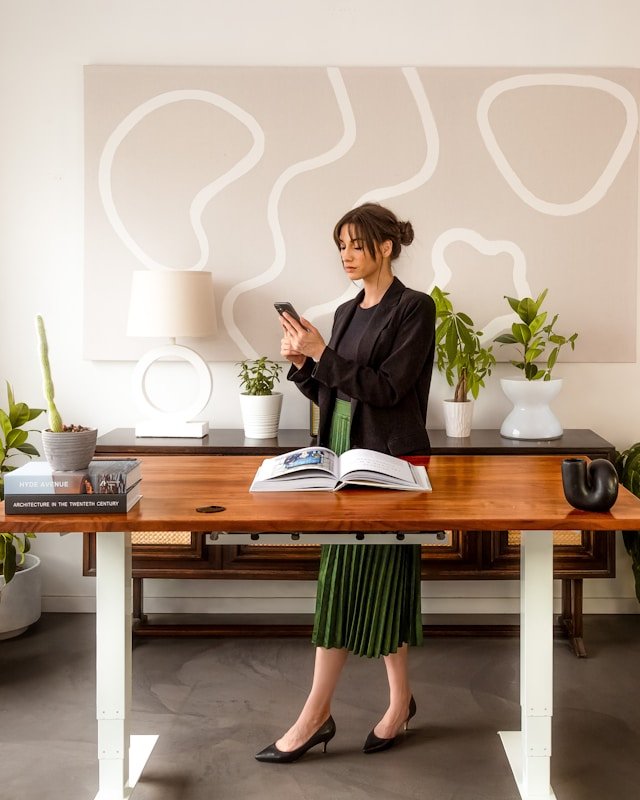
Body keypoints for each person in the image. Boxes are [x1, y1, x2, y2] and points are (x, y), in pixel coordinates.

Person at [255, 202, 436, 763]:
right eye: (341, 246)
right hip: (342, 460)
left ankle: (316, 714)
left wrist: (322, 355)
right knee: (380, 582)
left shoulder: (415, 309)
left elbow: (388, 390)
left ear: (386, 246)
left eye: (357, 245)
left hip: (388, 464)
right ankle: (399, 700)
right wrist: (306, 365)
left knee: (360, 581)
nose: (347, 256)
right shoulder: (345, 311)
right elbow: (338, 395)